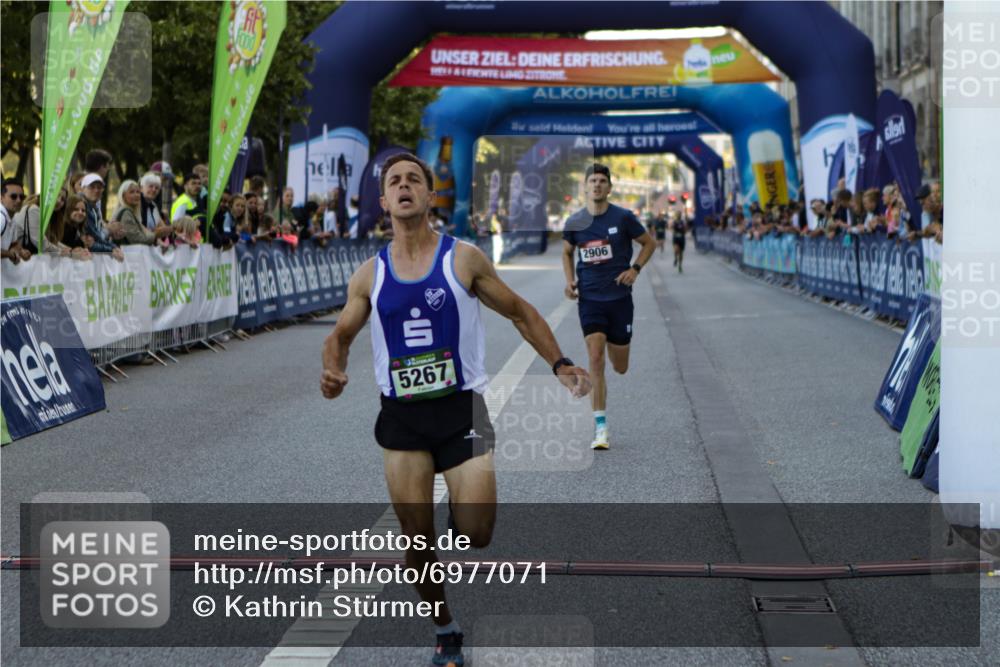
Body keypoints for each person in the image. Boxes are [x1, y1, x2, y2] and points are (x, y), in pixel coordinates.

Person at [320, 152, 590, 667]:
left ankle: (458, 511)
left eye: (413, 179)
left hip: (464, 409)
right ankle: (445, 628)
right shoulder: (369, 275)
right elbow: (340, 336)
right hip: (401, 417)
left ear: (429, 195)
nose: (404, 186)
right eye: (394, 181)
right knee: (417, 540)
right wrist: (332, 370)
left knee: (477, 532)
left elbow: (519, 311)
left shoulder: (462, 259)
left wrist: (559, 363)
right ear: (384, 201)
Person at [561, 163, 655, 449]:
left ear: (610, 188)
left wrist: (635, 269)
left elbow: (649, 243)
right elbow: (567, 251)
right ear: (586, 187)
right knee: (596, 359)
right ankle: (600, 428)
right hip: (590, 299)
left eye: (602, 181)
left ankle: (619, 350)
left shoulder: (623, 217)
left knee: (620, 366)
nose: (597, 185)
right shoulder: (575, 222)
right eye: (593, 181)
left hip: (619, 300)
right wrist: (570, 280)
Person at [80, 173, 124, 261]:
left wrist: (113, 246)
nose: (96, 190)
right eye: (92, 187)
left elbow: (97, 238)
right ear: (83, 188)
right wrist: (112, 248)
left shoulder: (94, 207)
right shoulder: (82, 206)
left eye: (99, 187)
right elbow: (95, 237)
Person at [115, 180, 171, 246]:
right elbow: (137, 239)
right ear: (123, 196)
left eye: (138, 192)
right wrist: (156, 235)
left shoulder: (134, 212)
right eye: (132, 192)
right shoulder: (126, 213)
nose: (136, 195)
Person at [1, 179, 32, 263]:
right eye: (13, 196)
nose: (18, 200)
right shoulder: (1, 218)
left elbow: (13, 243)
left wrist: (21, 251)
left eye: (22, 197)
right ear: (1, 198)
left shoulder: (12, 216)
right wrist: (10, 255)